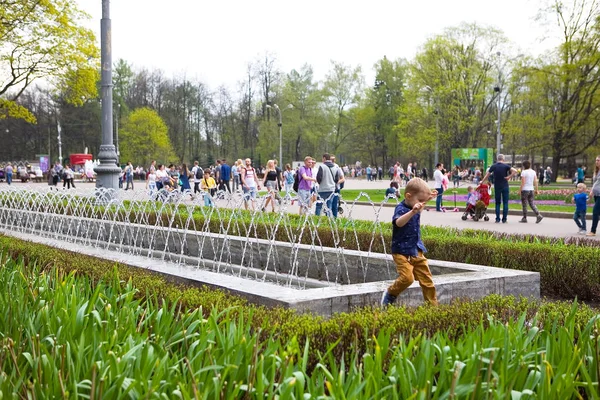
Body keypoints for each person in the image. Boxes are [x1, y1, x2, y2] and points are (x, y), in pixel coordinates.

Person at [381, 178, 438, 307]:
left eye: (423, 202)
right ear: (408, 196)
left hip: (416, 249)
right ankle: (391, 293)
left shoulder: (416, 204)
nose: (421, 205)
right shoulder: (401, 208)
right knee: (407, 278)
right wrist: (412, 212)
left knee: (427, 280)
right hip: (401, 251)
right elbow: (398, 223)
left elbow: (419, 203)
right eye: (420, 201)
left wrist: (428, 198)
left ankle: (433, 307)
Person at [482, 154, 517, 223]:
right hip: (505, 186)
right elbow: (515, 171)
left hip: (497, 186)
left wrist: (482, 181)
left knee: (497, 203)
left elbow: (487, 174)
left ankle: (497, 219)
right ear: (503, 159)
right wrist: (509, 177)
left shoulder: (494, 166)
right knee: (505, 203)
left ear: (497, 159)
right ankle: (504, 219)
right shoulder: (506, 166)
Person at [315, 153, 342, 218]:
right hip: (331, 189)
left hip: (323, 189)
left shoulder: (322, 166)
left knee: (319, 206)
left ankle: (317, 219)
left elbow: (319, 178)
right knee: (329, 206)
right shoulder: (335, 167)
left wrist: (321, 183)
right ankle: (328, 220)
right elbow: (336, 179)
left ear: (324, 158)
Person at [587, 156, 600, 236]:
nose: (597, 161)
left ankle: (593, 231)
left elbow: (597, 182)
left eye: (599, 160)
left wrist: (592, 190)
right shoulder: (596, 171)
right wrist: (592, 190)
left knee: (595, 212)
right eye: (596, 160)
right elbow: (594, 182)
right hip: (597, 194)